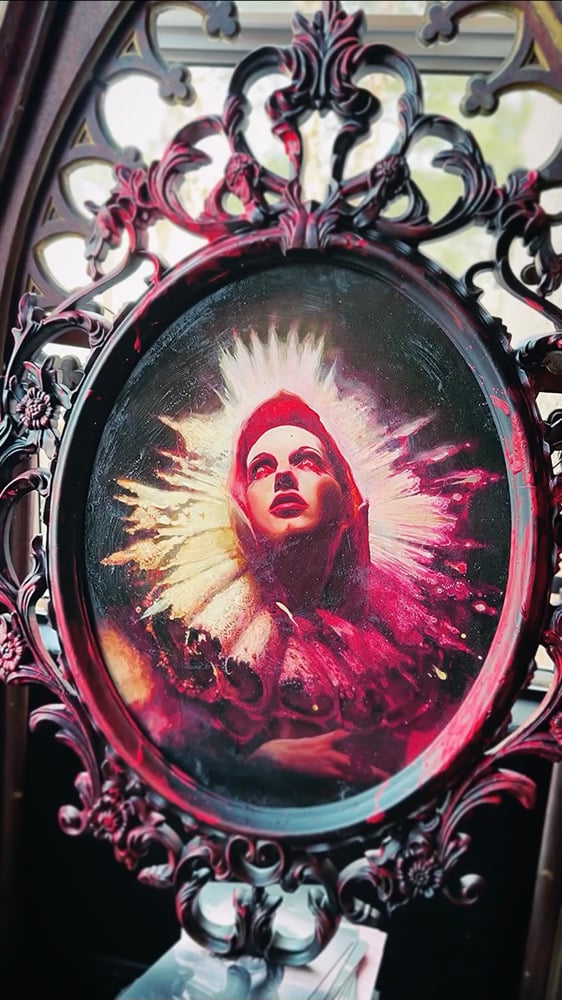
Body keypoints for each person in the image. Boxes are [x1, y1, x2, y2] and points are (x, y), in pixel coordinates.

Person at [95, 332, 497, 800]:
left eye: (306, 461)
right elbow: (150, 741)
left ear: (347, 499)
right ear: (241, 507)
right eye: (261, 469)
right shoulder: (180, 634)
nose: (284, 475)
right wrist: (255, 764)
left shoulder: (392, 652)